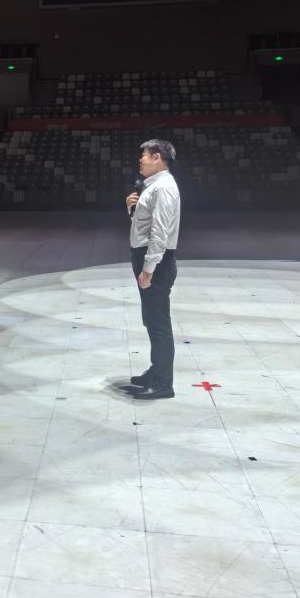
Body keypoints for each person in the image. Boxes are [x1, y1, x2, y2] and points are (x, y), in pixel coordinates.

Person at [122, 139, 182, 401]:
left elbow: (159, 232)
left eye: (144, 155)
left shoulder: (163, 187)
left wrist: (149, 268)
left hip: (157, 260)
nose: (140, 160)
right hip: (148, 256)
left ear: (157, 157)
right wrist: (130, 208)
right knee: (151, 319)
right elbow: (145, 224)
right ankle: (157, 371)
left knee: (158, 323)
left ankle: (163, 383)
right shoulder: (152, 185)